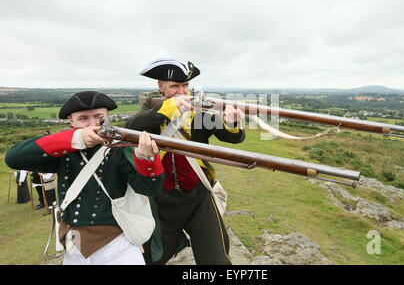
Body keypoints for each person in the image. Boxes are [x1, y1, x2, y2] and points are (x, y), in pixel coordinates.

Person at [5, 91, 164, 265]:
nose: (93, 124)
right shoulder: (64, 148)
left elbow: (149, 188)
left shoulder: (120, 148)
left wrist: (146, 159)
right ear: (70, 121)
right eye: (83, 119)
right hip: (74, 246)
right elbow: (13, 157)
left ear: (107, 117)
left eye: (99, 117)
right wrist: (76, 139)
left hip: (117, 245)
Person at [125, 59, 245, 265]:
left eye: (185, 86)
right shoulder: (151, 111)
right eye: (175, 86)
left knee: (215, 260)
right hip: (160, 199)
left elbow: (232, 137)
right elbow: (132, 127)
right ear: (161, 87)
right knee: (152, 258)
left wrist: (232, 122)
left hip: (198, 195)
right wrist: (169, 108)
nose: (182, 91)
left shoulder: (198, 112)